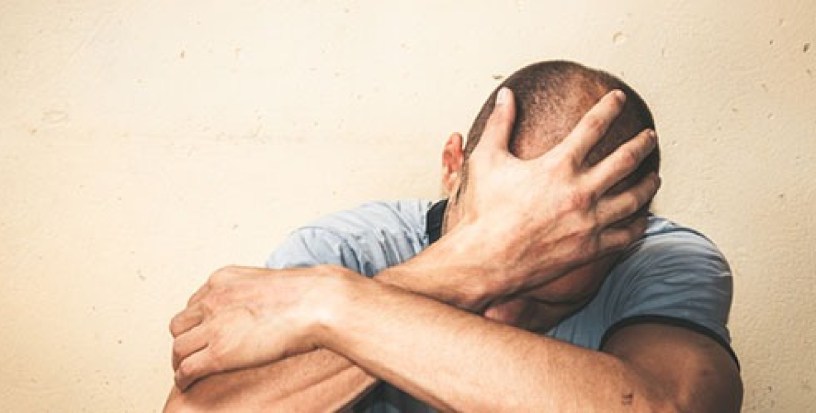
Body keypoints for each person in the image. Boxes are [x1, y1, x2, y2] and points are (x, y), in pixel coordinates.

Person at [165, 61, 742, 412]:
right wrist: (462, 271)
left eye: (547, 296)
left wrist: (335, 304)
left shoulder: (663, 260)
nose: (501, 318)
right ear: (452, 167)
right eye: (500, 242)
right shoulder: (343, 251)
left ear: (626, 233)